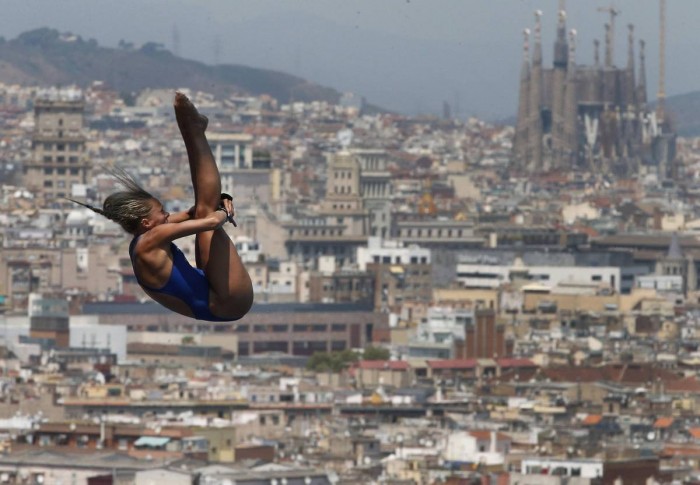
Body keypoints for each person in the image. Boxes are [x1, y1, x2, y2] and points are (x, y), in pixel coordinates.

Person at [70, 92, 253, 321]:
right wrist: (225, 210)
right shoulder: (153, 237)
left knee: (204, 208)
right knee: (207, 213)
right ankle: (194, 131)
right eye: (162, 212)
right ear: (146, 222)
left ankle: (193, 130)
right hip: (229, 301)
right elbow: (211, 220)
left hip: (215, 296)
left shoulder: (142, 241)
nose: (168, 215)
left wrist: (217, 202)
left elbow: (191, 213)